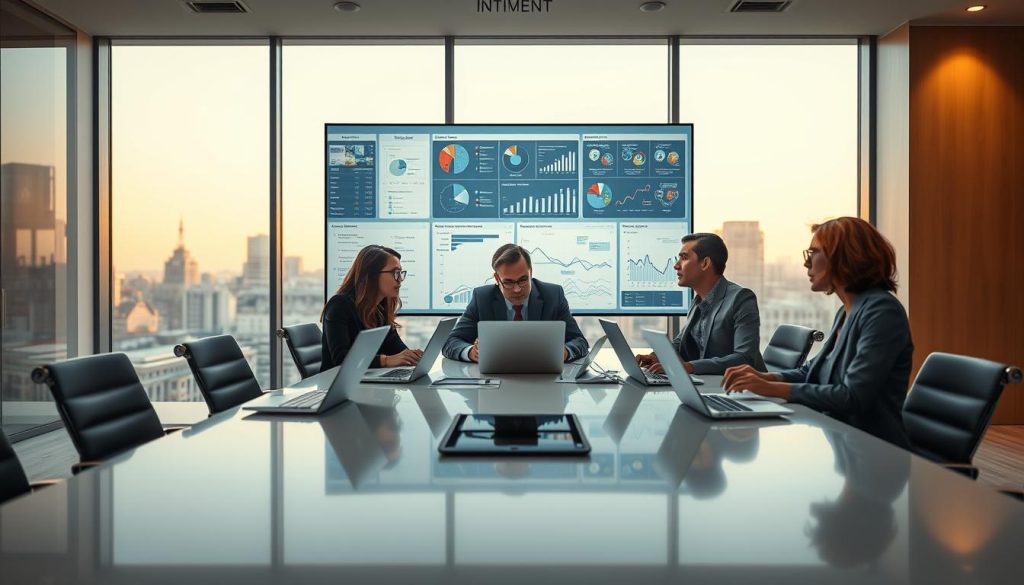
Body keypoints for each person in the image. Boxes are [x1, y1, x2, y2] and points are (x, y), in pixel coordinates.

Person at [722, 217, 913, 448]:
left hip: (876, 451)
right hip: (842, 442)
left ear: (844, 256)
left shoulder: (882, 312)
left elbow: (852, 397)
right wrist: (764, 377)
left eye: (813, 253)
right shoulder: (846, 311)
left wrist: (771, 389)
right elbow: (812, 371)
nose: (807, 263)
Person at [635, 232, 766, 375]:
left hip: (742, 386)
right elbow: (681, 342)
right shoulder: (698, 300)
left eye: (684, 258)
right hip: (709, 384)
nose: (676, 265)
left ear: (705, 263)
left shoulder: (741, 298)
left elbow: (744, 358)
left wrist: (689, 367)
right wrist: (656, 356)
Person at [442, 243, 589, 362]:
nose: (517, 289)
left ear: (531, 272)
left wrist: (565, 352)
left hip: (543, 378)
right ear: (497, 279)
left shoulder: (553, 295)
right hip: (496, 379)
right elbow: (451, 342)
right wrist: (471, 353)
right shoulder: (482, 298)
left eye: (523, 279)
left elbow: (580, 341)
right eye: (508, 282)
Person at [320, 245, 423, 371]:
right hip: (335, 381)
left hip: (367, 380)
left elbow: (398, 350)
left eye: (400, 273)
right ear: (371, 275)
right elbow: (341, 360)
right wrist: (387, 360)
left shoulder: (379, 312)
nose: (400, 279)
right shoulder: (339, 305)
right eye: (395, 273)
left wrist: (413, 357)